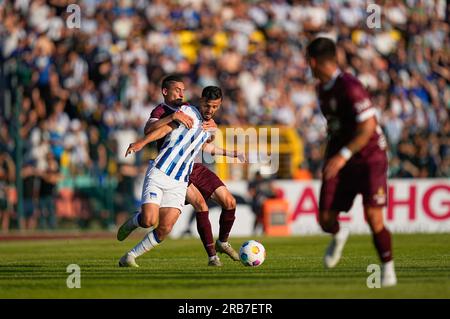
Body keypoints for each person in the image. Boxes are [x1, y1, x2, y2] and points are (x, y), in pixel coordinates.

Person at [117, 85, 243, 267]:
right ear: (201, 101)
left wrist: (230, 153)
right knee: (148, 220)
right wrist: (141, 143)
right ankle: (135, 220)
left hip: (180, 181)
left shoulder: (210, 126)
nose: (211, 110)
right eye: (208, 106)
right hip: (161, 171)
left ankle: (129, 257)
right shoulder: (187, 112)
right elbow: (164, 129)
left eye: (215, 107)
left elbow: (203, 146)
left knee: (165, 228)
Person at [306, 37, 397, 287]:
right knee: (325, 219)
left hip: (369, 158)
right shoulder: (321, 89)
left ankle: (387, 269)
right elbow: (337, 126)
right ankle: (340, 232)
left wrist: (343, 155)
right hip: (340, 155)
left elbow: (368, 126)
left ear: (313, 62)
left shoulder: (350, 86)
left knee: (373, 216)